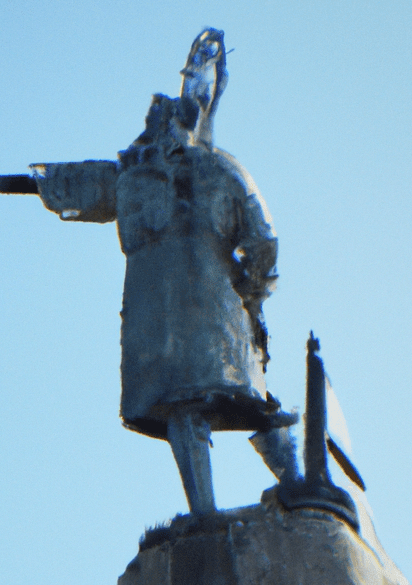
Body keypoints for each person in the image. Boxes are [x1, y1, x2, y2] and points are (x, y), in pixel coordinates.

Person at [29, 29, 293, 513]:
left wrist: (250, 290)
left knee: (234, 398)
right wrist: (252, 287)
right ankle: (216, 508)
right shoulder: (140, 175)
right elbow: (84, 183)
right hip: (164, 323)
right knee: (198, 403)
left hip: (204, 312)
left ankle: (296, 479)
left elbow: (262, 238)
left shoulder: (213, 170)